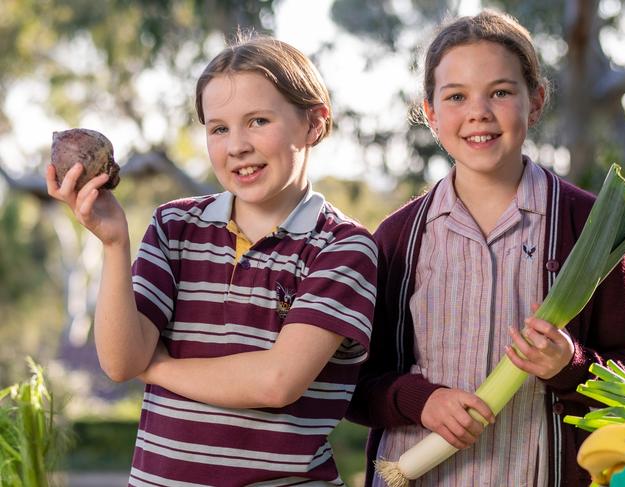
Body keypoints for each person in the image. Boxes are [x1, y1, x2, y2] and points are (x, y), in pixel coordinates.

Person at [47, 35, 378, 486]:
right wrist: (113, 243)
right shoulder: (174, 226)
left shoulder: (342, 247)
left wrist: (157, 367)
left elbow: (275, 382)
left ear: (314, 124)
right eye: (219, 128)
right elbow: (122, 362)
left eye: (258, 121)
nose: (236, 145)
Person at [346, 10, 625, 487]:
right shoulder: (397, 239)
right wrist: (419, 399)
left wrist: (570, 366)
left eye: (501, 92)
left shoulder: (590, 227)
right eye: (456, 96)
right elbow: (353, 386)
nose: (478, 112)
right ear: (431, 112)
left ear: (536, 101)